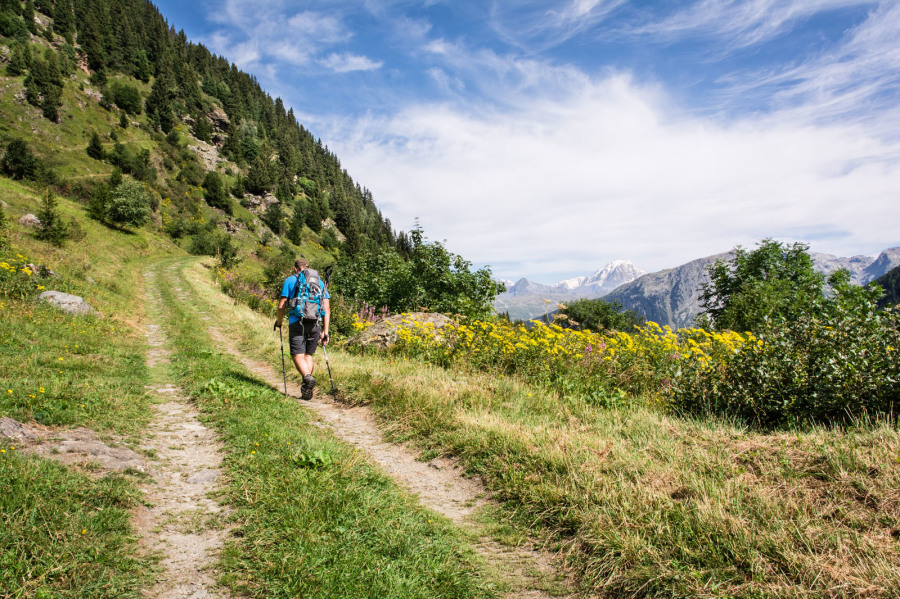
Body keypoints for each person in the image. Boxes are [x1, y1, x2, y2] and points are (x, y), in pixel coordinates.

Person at [274, 258, 330, 400]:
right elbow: (327, 308)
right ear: (308, 268)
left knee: (297, 355)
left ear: (295, 269)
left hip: (296, 322)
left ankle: (307, 377)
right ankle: (306, 386)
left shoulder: (291, 280)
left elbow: (282, 305)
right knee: (308, 355)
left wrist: (279, 322)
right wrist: (326, 331)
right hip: (315, 323)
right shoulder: (320, 282)